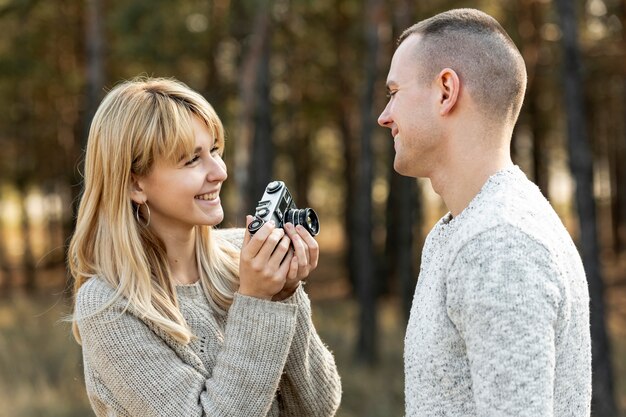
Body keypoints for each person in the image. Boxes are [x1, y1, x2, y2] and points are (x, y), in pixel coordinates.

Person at [68, 77, 341, 417]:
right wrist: (256, 299)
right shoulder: (109, 304)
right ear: (134, 183)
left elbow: (316, 407)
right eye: (191, 160)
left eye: (214, 150)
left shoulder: (244, 258)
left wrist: (285, 294)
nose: (219, 172)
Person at [377, 8, 591, 416]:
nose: (384, 116)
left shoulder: (499, 243)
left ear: (445, 91)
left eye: (394, 92)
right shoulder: (462, 230)